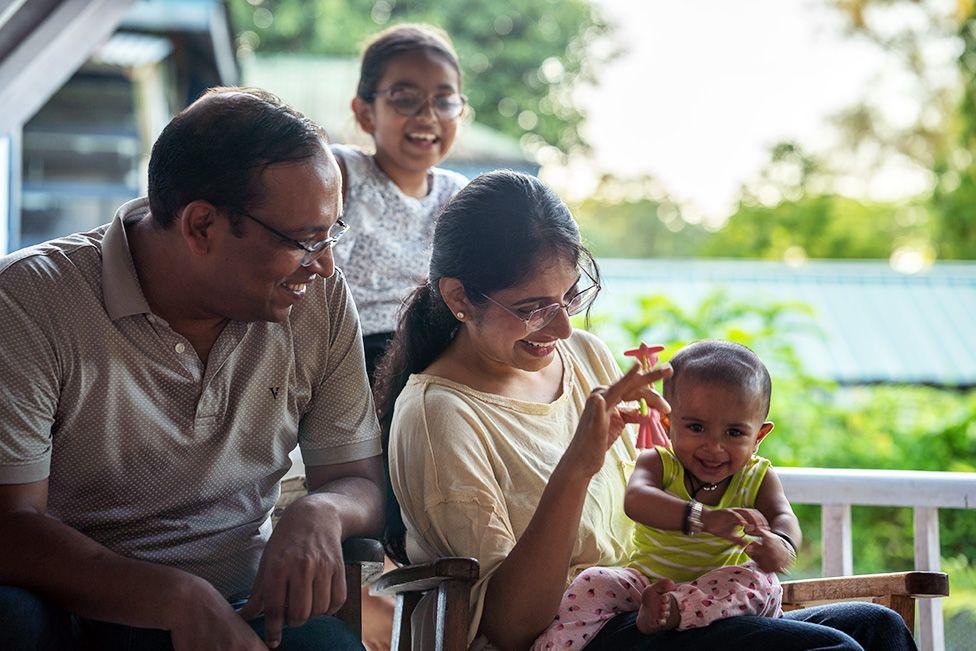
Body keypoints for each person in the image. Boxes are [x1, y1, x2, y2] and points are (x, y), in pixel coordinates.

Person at [376, 170, 918, 650]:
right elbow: (511, 627)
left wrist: (722, 520)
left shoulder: (585, 356)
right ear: (458, 297)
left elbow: (657, 498)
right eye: (532, 308)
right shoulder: (438, 414)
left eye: (570, 298)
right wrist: (577, 466)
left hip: (646, 607)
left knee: (878, 628)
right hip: (570, 633)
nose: (563, 327)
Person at [0, 88, 385, 650]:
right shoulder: (31, 301)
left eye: (331, 235)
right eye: (304, 240)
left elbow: (362, 483)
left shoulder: (316, 301)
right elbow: (9, 527)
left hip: (246, 607)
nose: (325, 265)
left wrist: (324, 510)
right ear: (201, 226)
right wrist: (175, 597)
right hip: (75, 611)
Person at [533, 340, 797, 649]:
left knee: (761, 582)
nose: (714, 447)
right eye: (696, 427)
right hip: (648, 584)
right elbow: (637, 500)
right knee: (592, 583)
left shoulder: (757, 476)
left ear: (758, 436)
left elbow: (783, 516)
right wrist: (704, 519)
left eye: (735, 433)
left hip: (722, 593)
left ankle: (678, 611)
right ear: (669, 424)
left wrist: (782, 546)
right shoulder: (659, 463)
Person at [332, 23, 468, 384]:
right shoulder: (341, 173)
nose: (427, 116)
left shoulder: (459, 195)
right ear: (365, 112)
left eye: (444, 100)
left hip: (432, 356)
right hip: (344, 356)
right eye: (405, 98)